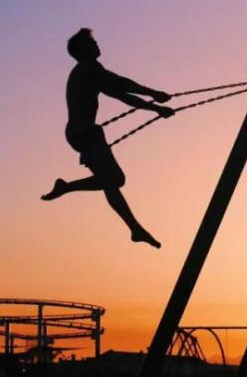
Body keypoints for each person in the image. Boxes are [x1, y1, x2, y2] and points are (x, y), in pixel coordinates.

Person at [42, 28, 175, 248]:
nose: (96, 44)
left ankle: (134, 228)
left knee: (112, 180)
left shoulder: (89, 72)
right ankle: (133, 228)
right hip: (85, 133)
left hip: (83, 133)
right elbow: (120, 84)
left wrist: (156, 109)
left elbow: (120, 95)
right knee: (114, 180)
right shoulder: (88, 68)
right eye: (90, 42)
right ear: (81, 50)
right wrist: (154, 95)